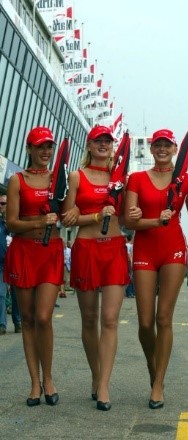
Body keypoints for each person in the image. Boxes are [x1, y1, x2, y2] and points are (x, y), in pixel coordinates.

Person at [124, 128, 188, 409]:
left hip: (173, 249)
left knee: (164, 318)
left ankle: (159, 383)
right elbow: (129, 221)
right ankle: (154, 368)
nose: (162, 149)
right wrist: (143, 217)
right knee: (145, 322)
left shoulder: (186, 179)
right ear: (152, 149)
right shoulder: (137, 178)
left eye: (167, 145)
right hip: (144, 250)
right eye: (157, 145)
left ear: (175, 149)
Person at [61, 125, 141, 411]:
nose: (104, 145)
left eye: (108, 141)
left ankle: (104, 384)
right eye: (99, 141)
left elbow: (130, 220)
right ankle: (96, 376)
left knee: (109, 320)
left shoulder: (122, 179)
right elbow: (67, 219)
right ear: (90, 144)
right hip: (86, 250)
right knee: (89, 320)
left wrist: (134, 214)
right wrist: (94, 214)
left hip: (115, 250)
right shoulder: (76, 176)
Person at [4, 126, 63, 406]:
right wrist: (41, 222)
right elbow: (11, 223)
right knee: (27, 320)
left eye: (49, 147)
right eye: (40, 146)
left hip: (50, 252)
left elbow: (72, 211)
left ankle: (49, 377)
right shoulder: (18, 180)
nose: (45, 151)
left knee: (43, 317)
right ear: (29, 149)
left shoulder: (59, 179)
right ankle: (35, 383)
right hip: (23, 251)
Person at [0, 194, 8, 335]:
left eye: (3, 203)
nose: (1, 205)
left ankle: (2, 324)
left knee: (2, 295)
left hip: (7, 264)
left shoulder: (8, 222)